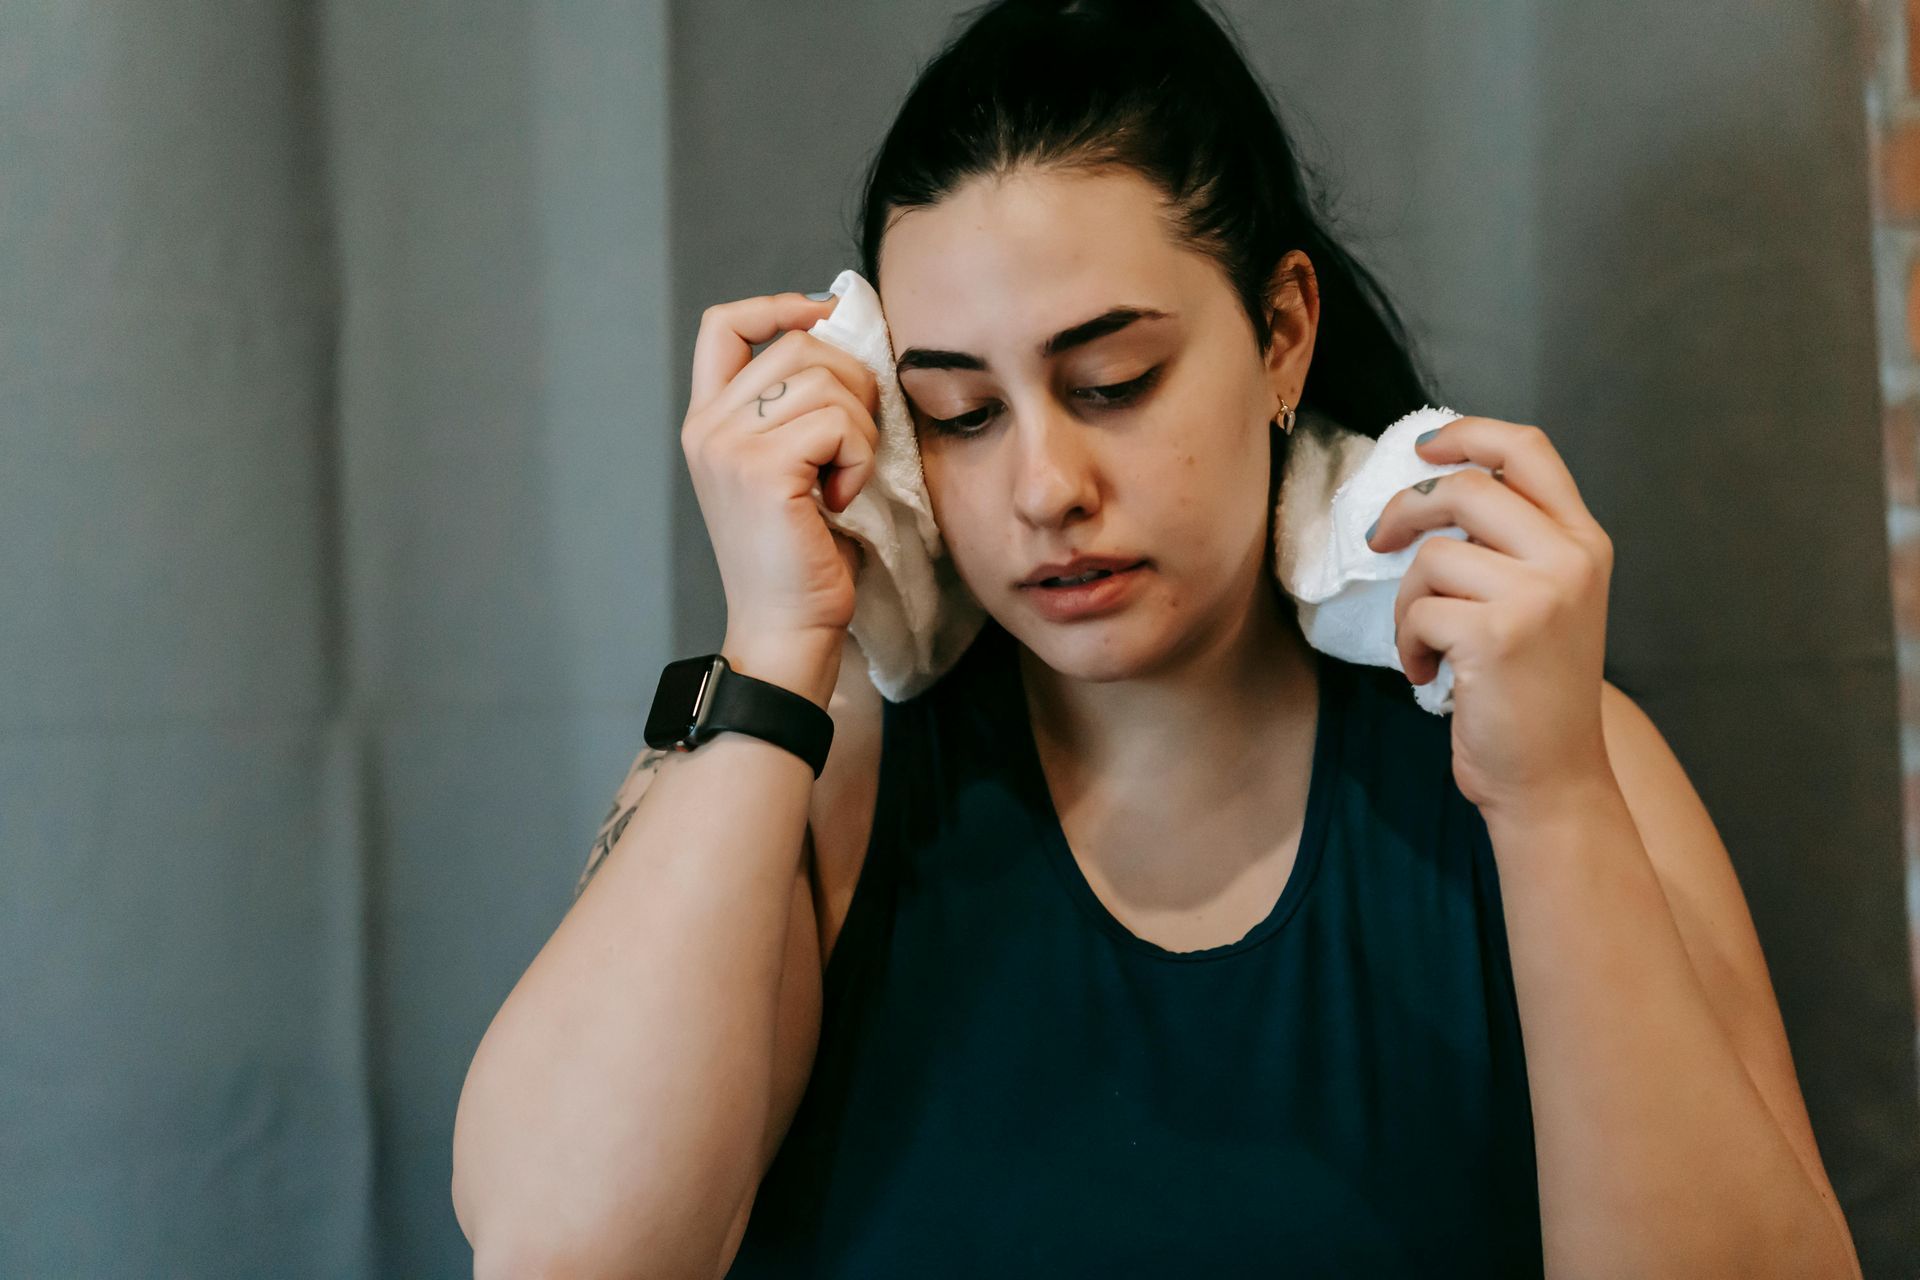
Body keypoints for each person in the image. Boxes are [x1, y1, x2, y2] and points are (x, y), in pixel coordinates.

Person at [451, 1, 1863, 1275]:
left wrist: (1551, 802)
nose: (1046, 488)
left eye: (1113, 381)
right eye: (959, 413)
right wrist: (772, 645)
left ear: (1283, 334)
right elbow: (561, 1251)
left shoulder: (1546, 757)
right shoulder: (824, 781)